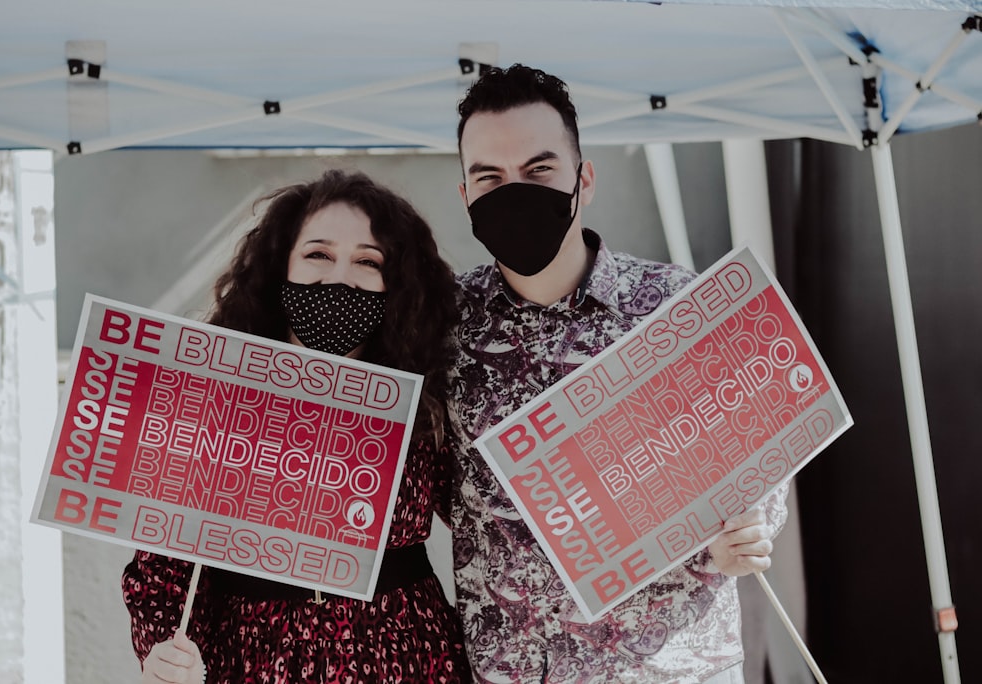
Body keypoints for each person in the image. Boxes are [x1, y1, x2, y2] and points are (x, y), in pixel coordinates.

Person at [446, 64, 788, 683]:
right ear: (465, 194)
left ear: (585, 180)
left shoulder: (680, 305)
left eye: (539, 169)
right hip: (520, 671)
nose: (513, 190)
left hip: (673, 667)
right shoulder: (441, 329)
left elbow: (758, 462)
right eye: (489, 176)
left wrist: (745, 532)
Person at [122, 169, 472, 684]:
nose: (339, 277)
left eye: (367, 261)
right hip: (255, 657)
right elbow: (163, 567)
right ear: (280, 264)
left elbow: (486, 519)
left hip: (406, 655)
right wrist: (163, 651)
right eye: (318, 254)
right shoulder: (216, 394)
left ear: (394, 283)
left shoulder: (424, 396)